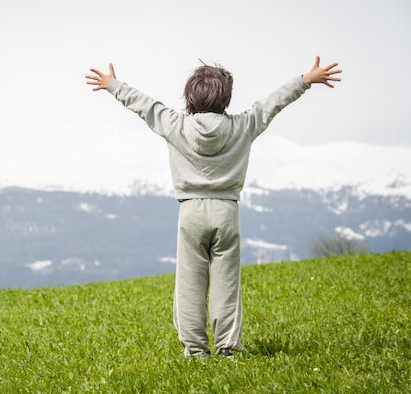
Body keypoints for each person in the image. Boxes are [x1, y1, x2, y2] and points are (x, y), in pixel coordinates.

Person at [85, 57, 342, 359]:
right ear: (226, 98)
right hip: (226, 212)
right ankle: (229, 348)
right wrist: (305, 80)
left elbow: (145, 106)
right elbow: (273, 103)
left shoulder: (175, 124)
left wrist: (113, 84)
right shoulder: (243, 126)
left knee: (190, 285)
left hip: (190, 212)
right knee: (227, 283)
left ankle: (195, 351)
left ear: (189, 98)